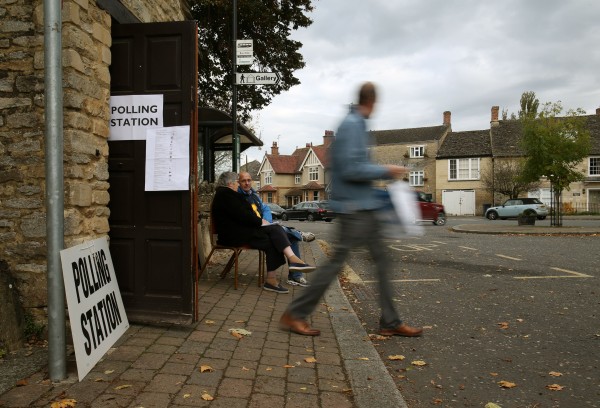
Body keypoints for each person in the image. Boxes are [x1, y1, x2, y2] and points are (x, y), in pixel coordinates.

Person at [280, 82, 423, 337]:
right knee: (336, 264)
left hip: (364, 207)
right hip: (354, 210)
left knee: (381, 262)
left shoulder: (356, 125)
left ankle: (390, 321)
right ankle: (296, 314)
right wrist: (386, 170)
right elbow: (351, 169)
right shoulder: (352, 125)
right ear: (371, 102)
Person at [211, 171, 315, 294]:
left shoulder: (227, 194)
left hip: (239, 232)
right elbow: (244, 215)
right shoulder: (226, 195)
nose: (238, 185)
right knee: (275, 231)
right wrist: (261, 222)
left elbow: (245, 214)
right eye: (237, 182)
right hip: (233, 236)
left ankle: (274, 278)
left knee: (273, 237)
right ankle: (291, 261)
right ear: (230, 183)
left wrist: (261, 222)